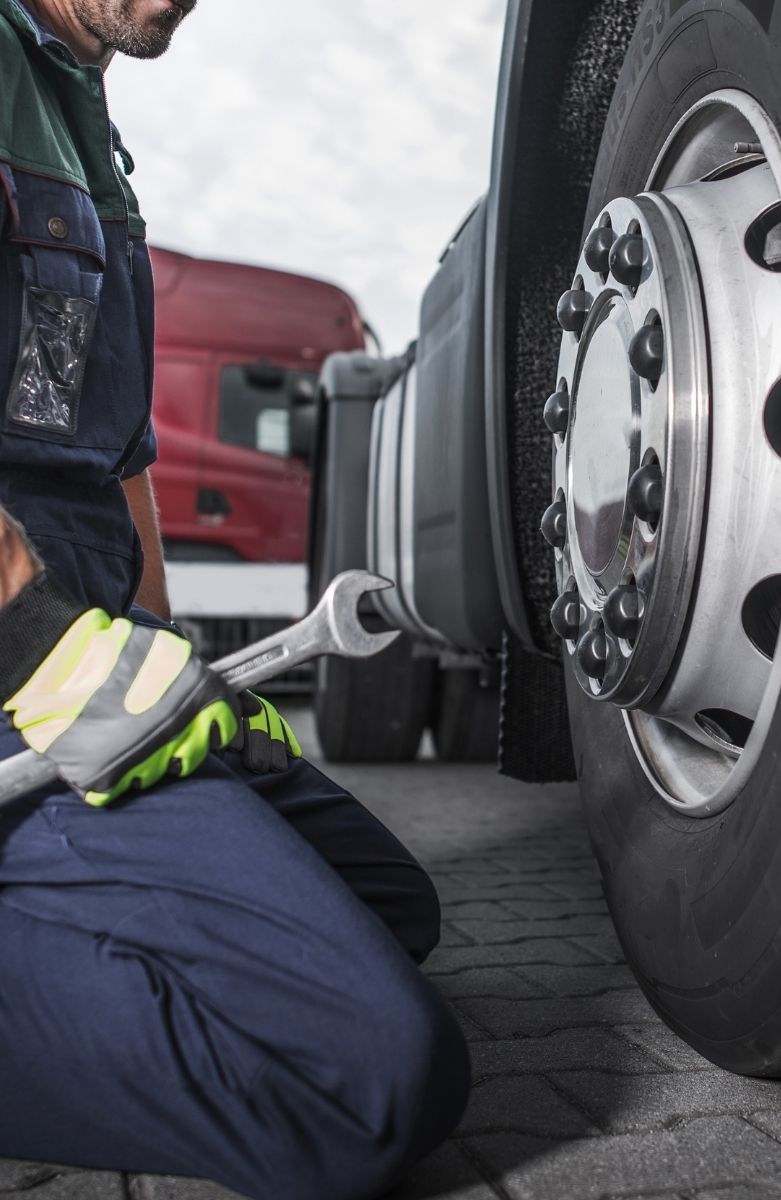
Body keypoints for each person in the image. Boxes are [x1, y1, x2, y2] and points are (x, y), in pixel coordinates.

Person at [0, 3, 470, 1198]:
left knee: (386, 904)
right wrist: (38, 643)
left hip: (81, 644)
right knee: (366, 1076)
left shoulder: (80, 118)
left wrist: (169, 654)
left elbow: (117, 456)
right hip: (19, 674)